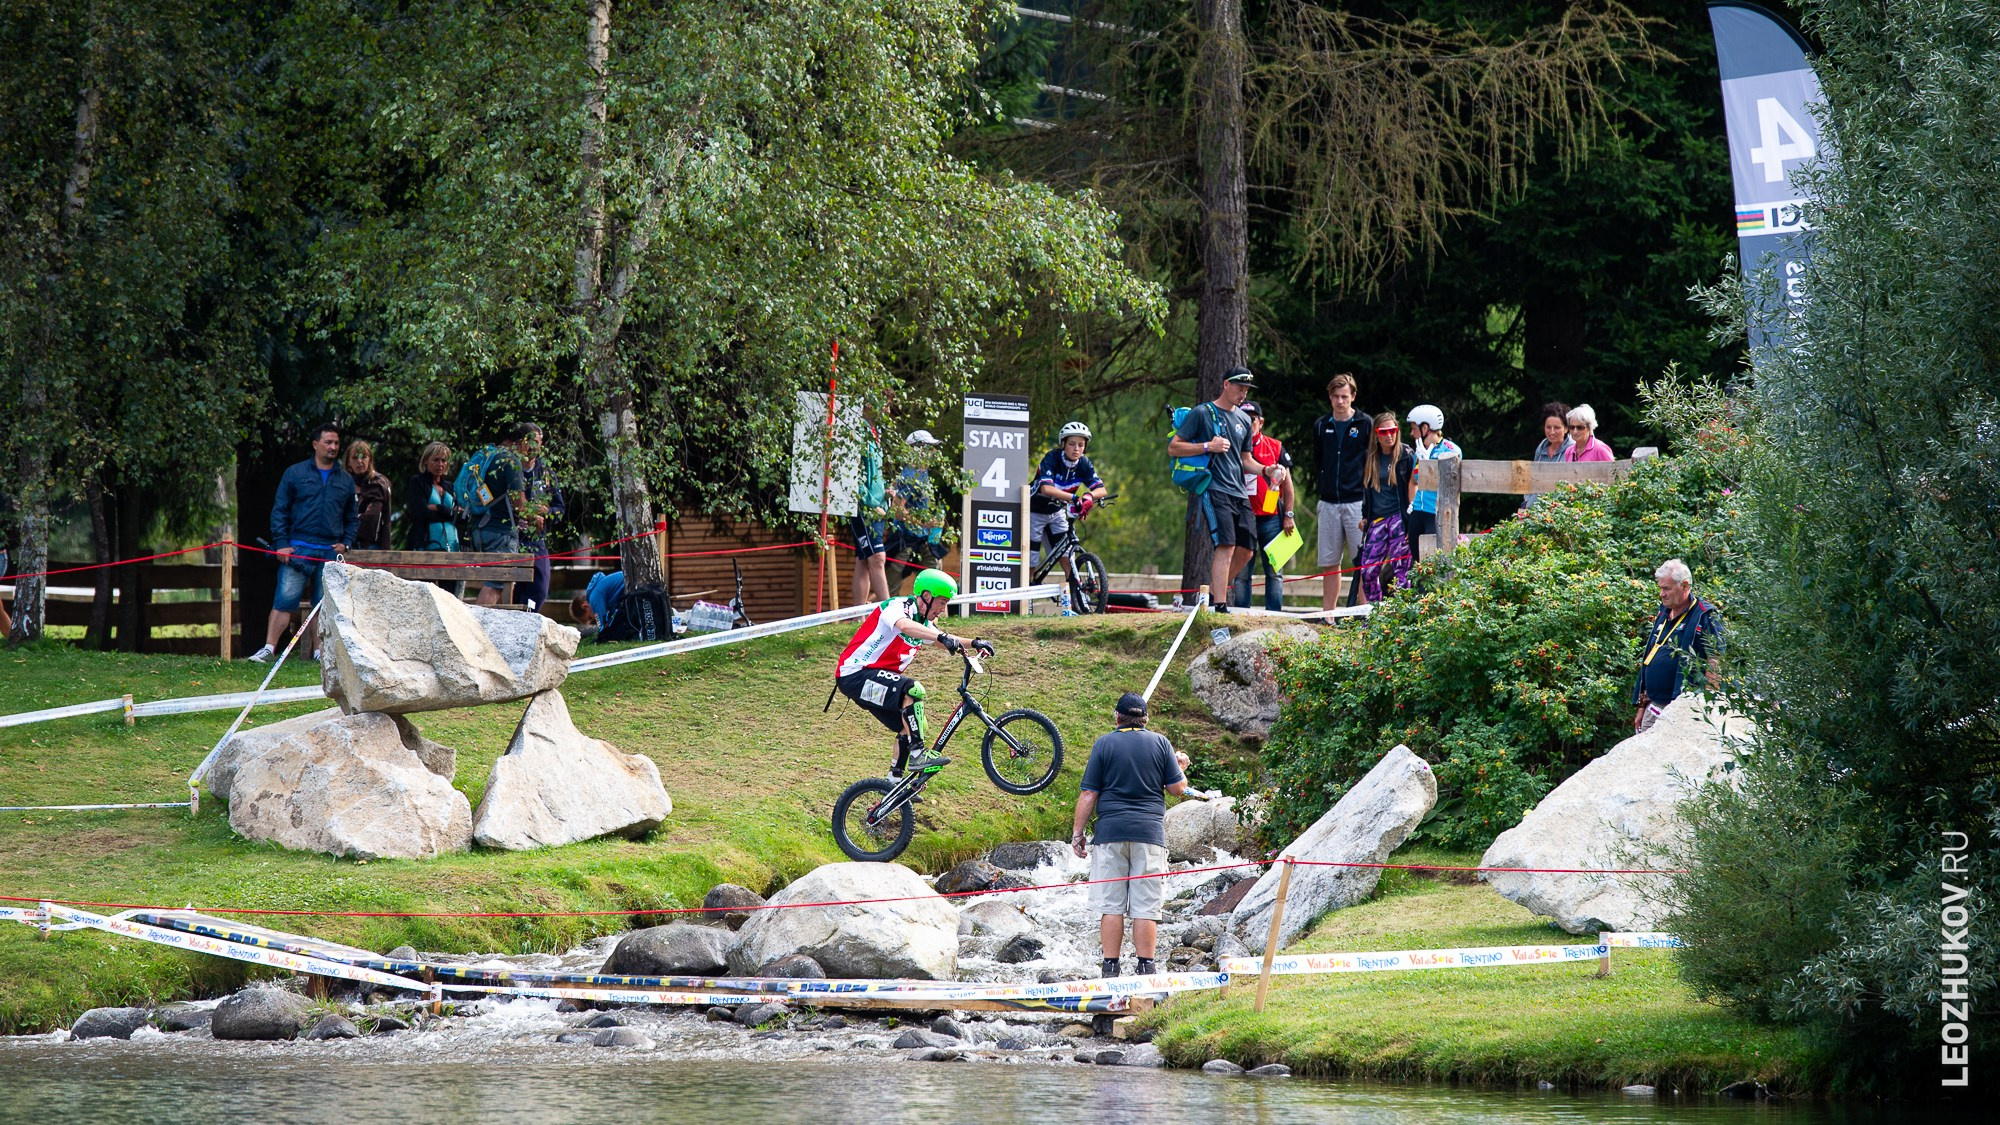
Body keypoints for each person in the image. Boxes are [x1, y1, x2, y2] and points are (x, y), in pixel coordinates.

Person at [1070, 692, 1190, 978]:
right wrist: (1180, 768)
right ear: (1145, 719)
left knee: (1111, 906)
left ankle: (1110, 968)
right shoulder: (1161, 743)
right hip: (1149, 835)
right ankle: (1145, 968)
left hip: (1111, 833)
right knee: (1145, 907)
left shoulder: (1104, 743)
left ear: (1117, 717)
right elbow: (1178, 789)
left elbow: (1089, 794)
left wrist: (1077, 834)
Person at [834, 568, 988, 779]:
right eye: (941, 602)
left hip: (871, 679)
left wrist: (974, 643)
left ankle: (894, 781)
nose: (943, 610)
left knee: (914, 722)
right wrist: (941, 637)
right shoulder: (898, 607)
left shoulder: (924, 623)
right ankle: (918, 754)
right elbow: (905, 626)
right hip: (855, 675)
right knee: (912, 690)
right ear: (926, 596)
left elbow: (939, 638)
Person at [250, 423, 357, 662]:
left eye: (337, 443)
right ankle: (268, 649)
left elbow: (352, 517)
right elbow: (280, 510)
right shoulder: (295, 474)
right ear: (315, 444)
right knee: (284, 600)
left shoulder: (345, 480)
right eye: (328, 442)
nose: (333, 447)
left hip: (329, 552)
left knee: (323, 605)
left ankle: (320, 653)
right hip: (297, 548)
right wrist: (281, 543)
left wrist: (346, 542)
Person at [1167, 368, 1266, 612]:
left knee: (1247, 550)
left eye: (1246, 390)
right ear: (1225, 384)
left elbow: (1246, 459)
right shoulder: (1202, 413)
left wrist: (1267, 470)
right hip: (1214, 488)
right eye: (1239, 388)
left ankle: (1212, 592)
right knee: (1226, 545)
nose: (1243, 394)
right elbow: (1174, 448)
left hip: (1239, 492)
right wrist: (1207, 446)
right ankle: (1220, 605)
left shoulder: (1244, 419)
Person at [1633, 558, 1724, 733]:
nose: (1661, 594)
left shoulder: (1705, 616)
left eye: (1666, 588)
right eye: (1660, 588)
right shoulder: (1663, 611)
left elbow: (1715, 661)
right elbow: (1651, 655)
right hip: (1653, 706)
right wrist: (1641, 706)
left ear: (1684, 585)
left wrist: (1708, 707)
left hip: (1684, 711)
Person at [1309, 373, 1374, 612]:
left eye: (1344, 396)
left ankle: (1362, 611)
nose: (1340, 401)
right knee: (1329, 562)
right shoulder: (1321, 425)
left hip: (1357, 501)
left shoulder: (1364, 423)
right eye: (1335, 396)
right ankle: (1329, 614)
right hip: (1329, 501)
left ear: (1353, 396)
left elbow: (1370, 460)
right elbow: (1319, 460)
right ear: (1329, 396)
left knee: (1363, 561)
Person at [1031, 421, 1108, 610]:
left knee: (1067, 556)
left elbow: (1102, 489)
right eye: (1072, 444)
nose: (1076, 449)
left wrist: (1089, 496)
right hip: (1035, 510)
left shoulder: (1084, 463)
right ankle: (1027, 602)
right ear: (1063, 444)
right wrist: (1075, 498)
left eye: (1081, 445)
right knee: (1030, 558)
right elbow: (1046, 488)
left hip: (1057, 512)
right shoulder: (1052, 458)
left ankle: (1076, 603)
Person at [1228, 403, 1295, 612]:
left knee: (1275, 571)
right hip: (1242, 516)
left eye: (1253, 419)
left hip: (1271, 517)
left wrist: (1289, 515)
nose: (1249, 424)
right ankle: (1241, 614)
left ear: (1261, 422)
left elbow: (1288, 485)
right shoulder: (1232, 447)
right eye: (1244, 419)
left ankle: (1274, 615)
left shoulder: (1274, 446)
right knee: (1242, 573)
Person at [470, 424, 536, 608]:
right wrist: (536, 514)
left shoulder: (486, 456)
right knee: (496, 584)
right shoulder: (511, 461)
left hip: (479, 527)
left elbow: (483, 495)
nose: (529, 450)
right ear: (520, 442)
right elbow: (520, 506)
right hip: (500, 532)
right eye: (528, 444)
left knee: (497, 582)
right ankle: (477, 628)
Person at [1356, 411, 1416, 601]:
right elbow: (1367, 489)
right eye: (1384, 432)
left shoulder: (1406, 455)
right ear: (1376, 434)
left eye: (1393, 430)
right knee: (1368, 571)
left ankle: (1400, 618)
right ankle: (1375, 614)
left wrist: (1411, 521)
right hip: (1377, 519)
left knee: (1402, 572)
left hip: (1399, 517)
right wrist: (1365, 516)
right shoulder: (1369, 457)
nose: (1389, 435)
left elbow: (1414, 486)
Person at [887, 429, 948, 590]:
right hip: (904, 540)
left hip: (922, 540)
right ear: (917, 449)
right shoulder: (910, 475)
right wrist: (924, 523)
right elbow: (897, 510)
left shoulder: (922, 472)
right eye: (930, 447)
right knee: (890, 588)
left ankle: (936, 615)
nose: (934, 452)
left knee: (936, 581)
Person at [1403, 404, 1461, 567]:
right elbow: (1413, 481)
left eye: (1414, 428)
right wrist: (1412, 508)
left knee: (1433, 565)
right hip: (1418, 513)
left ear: (1425, 427)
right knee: (1418, 564)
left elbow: (1450, 482)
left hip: (1435, 514)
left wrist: (1429, 462)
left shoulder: (1450, 450)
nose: (1411, 433)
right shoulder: (1420, 450)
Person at [517, 423, 565, 612]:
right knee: (513, 590)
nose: (532, 446)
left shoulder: (546, 474)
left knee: (539, 588)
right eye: (528, 441)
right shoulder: (510, 470)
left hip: (536, 540)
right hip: (513, 539)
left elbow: (560, 509)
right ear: (520, 444)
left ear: (541, 444)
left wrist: (546, 512)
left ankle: (529, 619)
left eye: (536, 442)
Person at [850, 417, 892, 606]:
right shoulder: (858, 430)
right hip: (866, 508)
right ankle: (890, 612)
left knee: (864, 560)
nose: (888, 410)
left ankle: (858, 615)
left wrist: (885, 493)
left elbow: (875, 475)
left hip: (878, 507)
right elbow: (852, 473)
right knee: (877, 558)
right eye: (885, 404)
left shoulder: (876, 432)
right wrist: (869, 502)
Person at [403, 442, 462, 552]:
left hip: (453, 546)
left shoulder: (450, 487)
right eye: (435, 460)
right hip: (425, 546)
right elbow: (421, 512)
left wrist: (439, 508)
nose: (440, 464)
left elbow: (462, 516)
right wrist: (451, 513)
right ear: (425, 460)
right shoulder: (418, 482)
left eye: (443, 460)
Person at [344, 440, 395, 551]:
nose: (360, 461)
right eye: (355, 457)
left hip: (373, 545)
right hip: (346, 545)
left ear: (370, 459)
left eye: (364, 457)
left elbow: (378, 518)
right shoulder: (343, 484)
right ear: (348, 462)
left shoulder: (379, 484)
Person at [1523, 401, 1573, 508]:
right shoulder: (1541, 448)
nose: (1552, 432)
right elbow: (1532, 478)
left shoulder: (1573, 449)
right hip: (1534, 508)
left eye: (1557, 428)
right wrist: (1527, 501)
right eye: (1548, 427)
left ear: (1566, 428)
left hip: (1559, 509)